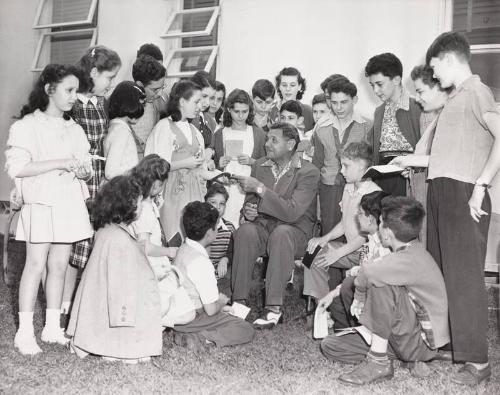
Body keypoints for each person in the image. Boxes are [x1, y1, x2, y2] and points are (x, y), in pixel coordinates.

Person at [424, 31, 500, 385]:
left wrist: (480, 187)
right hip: (441, 188)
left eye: (434, 67)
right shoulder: (455, 97)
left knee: (465, 276)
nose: (433, 75)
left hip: (464, 190)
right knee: (442, 270)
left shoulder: (477, 91)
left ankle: (479, 364)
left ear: (449, 59)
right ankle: (454, 345)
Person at [5, 64, 93, 355]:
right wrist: (60, 162)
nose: (73, 97)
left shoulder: (75, 129)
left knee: (58, 266)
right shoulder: (26, 126)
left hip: (68, 203)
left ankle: (52, 326)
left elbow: (87, 168)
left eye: (76, 91)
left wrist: (83, 171)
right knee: (35, 264)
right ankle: (25, 332)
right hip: (41, 203)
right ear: (49, 90)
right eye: (68, 90)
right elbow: (17, 167)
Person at [318, 197, 450, 386]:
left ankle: (378, 361)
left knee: (381, 284)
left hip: (419, 343)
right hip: (404, 337)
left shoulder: (409, 258)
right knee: (330, 346)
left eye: (380, 223)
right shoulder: (411, 251)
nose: (378, 226)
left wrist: (359, 296)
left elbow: (368, 271)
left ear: (387, 234)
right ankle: (400, 358)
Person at [231, 123, 320, 328]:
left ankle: (273, 309)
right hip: (264, 227)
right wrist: (248, 211)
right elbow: (251, 201)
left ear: (290, 144)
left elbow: (292, 212)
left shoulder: (309, 172)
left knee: (281, 234)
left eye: (273, 140)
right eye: (267, 139)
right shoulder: (260, 165)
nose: (267, 144)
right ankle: (238, 303)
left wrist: (261, 189)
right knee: (244, 232)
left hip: (295, 232)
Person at [67, 176, 162, 364]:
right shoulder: (120, 240)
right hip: (116, 314)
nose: (142, 206)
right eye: (139, 202)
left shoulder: (108, 230)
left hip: (100, 308)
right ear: (127, 205)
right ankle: (115, 348)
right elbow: (122, 292)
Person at [66, 45, 121, 309]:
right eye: (109, 78)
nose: (111, 84)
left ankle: (85, 301)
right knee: (72, 245)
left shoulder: (101, 103)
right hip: (77, 181)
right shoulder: (71, 103)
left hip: (99, 180)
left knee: (92, 240)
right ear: (94, 72)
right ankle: (64, 303)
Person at [172, 201, 255, 351]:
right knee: (245, 328)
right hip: (193, 317)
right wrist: (222, 302)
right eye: (216, 227)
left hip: (179, 315)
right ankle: (200, 337)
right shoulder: (202, 262)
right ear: (210, 233)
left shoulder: (183, 249)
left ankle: (186, 334)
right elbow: (210, 310)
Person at [304, 142, 381, 299]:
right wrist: (324, 238)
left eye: (346, 166)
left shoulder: (373, 193)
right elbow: (344, 223)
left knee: (325, 255)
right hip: (350, 250)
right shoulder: (348, 187)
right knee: (312, 253)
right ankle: (322, 306)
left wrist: (338, 253)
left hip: (368, 253)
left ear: (361, 166)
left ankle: (332, 305)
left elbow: (365, 236)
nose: (341, 171)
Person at [145, 80, 218, 240]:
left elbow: (200, 168)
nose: (201, 106)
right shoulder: (164, 127)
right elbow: (155, 165)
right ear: (182, 101)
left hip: (195, 194)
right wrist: (185, 164)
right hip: (171, 193)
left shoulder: (195, 131)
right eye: (196, 101)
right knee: (174, 237)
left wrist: (216, 175)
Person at [129, 155, 195, 328]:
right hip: (151, 269)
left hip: (160, 265)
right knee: (169, 306)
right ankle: (146, 322)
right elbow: (144, 246)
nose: (160, 187)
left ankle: (153, 321)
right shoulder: (141, 209)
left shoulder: (149, 203)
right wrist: (169, 252)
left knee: (188, 312)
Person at [390, 65, 451, 246]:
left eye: (420, 91)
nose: (417, 98)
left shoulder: (451, 116)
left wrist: (411, 160)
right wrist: (412, 167)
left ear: (439, 87)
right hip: (423, 192)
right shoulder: (433, 117)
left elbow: (450, 159)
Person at [312, 79, 371, 235]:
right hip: (329, 186)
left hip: (357, 186)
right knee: (329, 231)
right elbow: (317, 161)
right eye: (334, 102)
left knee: (356, 231)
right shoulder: (321, 126)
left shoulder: (367, 125)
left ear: (355, 100)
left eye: (344, 102)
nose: (338, 108)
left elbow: (371, 161)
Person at [325, 190, 391, 331]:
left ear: (371, 219)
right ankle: (348, 333)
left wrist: (343, 285)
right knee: (337, 302)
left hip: (381, 298)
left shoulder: (385, 243)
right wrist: (334, 292)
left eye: (360, 213)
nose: (357, 216)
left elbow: (369, 275)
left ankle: (364, 331)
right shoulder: (371, 239)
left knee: (349, 284)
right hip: (368, 290)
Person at [365, 52, 421, 196]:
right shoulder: (379, 111)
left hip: (409, 176)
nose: (375, 91)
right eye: (372, 85)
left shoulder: (418, 107)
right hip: (383, 176)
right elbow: (373, 149)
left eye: (379, 84)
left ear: (396, 79)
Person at [211, 89, 266, 226]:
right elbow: (212, 167)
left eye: (245, 111)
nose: (241, 116)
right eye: (237, 112)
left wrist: (252, 161)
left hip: (249, 189)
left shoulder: (258, 134)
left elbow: (267, 164)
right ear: (229, 110)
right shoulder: (220, 134)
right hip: (227, 188)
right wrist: (219, 163)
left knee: (245, 224)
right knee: (225, 224)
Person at [103, 81, 145, 179]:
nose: (142, 109)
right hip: (123, 189)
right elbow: (110, 172)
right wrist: (139, 172)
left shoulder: (116, 127)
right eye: (141, 104)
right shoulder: (121, 132)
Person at [204, 183, 236, 295]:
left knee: (228, 290)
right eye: (213, 202)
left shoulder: (229, 228)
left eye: (222, 204)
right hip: (202, 274)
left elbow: (233, 251)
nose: (217, 207)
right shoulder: (199, 225)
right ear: (205, 203)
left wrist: (226, 259)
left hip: (221, 275)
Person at [131, 55, 167, 150]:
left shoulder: (159, 103)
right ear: (140, 85)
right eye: (155, 90)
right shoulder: (123, 106)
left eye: (162, 87)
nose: (160, 94)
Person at [275, 67, 314, 131]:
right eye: (284, 85)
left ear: (299, 86)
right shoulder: (271, 111)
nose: (288, 89)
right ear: (279, 86)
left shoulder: (308, 111)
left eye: (292, 85)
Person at [191, 71, 217, 147]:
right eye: (204, 96)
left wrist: (211, 151)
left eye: (211, 98)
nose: (208, 103)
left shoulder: (208, 119)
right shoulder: (183, 118)